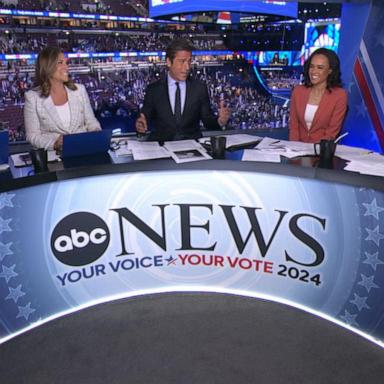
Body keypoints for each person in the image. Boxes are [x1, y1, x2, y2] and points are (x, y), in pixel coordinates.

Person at [135, 39, 230, 141]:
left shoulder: (199, 88)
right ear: (168, 62)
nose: (187, 67)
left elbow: (207, 120)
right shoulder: (153, 90)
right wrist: (140, 125)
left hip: (192, 148)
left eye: (189, 61)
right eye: (182, 61)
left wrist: (220, 121)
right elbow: (144, 119)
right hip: (164, 149)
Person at [24, 46, 101, 150]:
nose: (66, 67)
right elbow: (32, 136)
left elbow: (91, 122)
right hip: (54, 157)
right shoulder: (32, 98)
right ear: (47, 67)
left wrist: (96, 133)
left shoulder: (79, 90)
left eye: (66, 63)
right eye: (60, 63)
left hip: (84, 150)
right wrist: (54, 144)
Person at [289, 48, 347, 143]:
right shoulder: (298, 91)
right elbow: (294, 127)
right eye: (312, 66)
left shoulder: (339, 95)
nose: (314, 71)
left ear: (330, 70)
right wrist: (294, 149)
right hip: (297, 150)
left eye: (320, 67)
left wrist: (315, 151)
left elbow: (331, 133)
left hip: (321, 151)